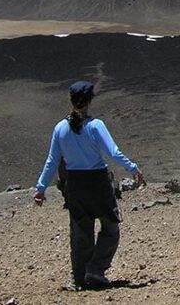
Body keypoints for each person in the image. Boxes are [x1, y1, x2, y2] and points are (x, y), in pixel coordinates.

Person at [34, 80, 145, 290]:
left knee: (80, 233)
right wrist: (133, 168)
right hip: (98, 183)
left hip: (75, 184)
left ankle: (77, 278)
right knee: (110, 228)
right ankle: (95, 269)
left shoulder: (60, 128)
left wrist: (40, 188)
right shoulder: (95, 126)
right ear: (90, 101)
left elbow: (52, 160)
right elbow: (113, 152)